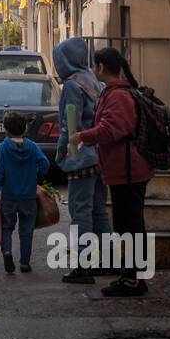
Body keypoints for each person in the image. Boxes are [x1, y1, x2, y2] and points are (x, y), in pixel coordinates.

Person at [71, 47, 154, 297]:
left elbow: (112, 129)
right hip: (123, 170)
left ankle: (133, 279)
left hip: (128, 170)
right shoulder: (115, 91)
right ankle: (132, 277)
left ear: (101, 68)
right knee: (128, 224)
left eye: (95, 66)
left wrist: (82, 136)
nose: (93, 70)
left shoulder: (118, 95)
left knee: (130, 225)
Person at [51, 38, 113, 284]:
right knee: (98, 210)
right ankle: (108, 262)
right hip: (99, 155)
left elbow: (70, 124)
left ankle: (83, 266)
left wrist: (67, 155)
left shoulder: (72, 86)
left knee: (80, 212)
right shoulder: (92, 80)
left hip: (82, 157)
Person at [0, 112, 50, 274]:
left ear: (6, 130)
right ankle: (25, 262)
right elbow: (45, 163)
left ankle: (7, 252)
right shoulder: (32, 146)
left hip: (9, 196)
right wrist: (37, 177)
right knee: (26, 230)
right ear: (25, 129)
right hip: (29, 197)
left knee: (7, 227)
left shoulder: (4, 147)